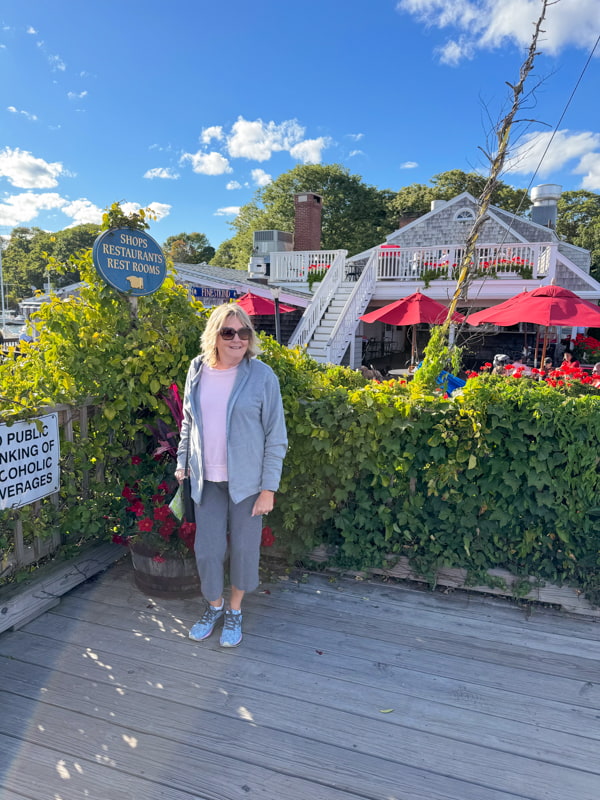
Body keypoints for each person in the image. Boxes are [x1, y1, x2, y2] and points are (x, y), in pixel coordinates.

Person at [176, 304, 287, 648]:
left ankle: (235, 611)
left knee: (243, 550)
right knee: (207, 552)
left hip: (248, 485)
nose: (237, 339)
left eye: (243, 333)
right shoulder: (196, 370)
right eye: (228, 332)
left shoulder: (262, 376)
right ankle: (215, 606)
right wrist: (183, 461)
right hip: (205, 482)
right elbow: (187, 423)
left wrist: (269, 488)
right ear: (215, 336)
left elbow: (276, 436)